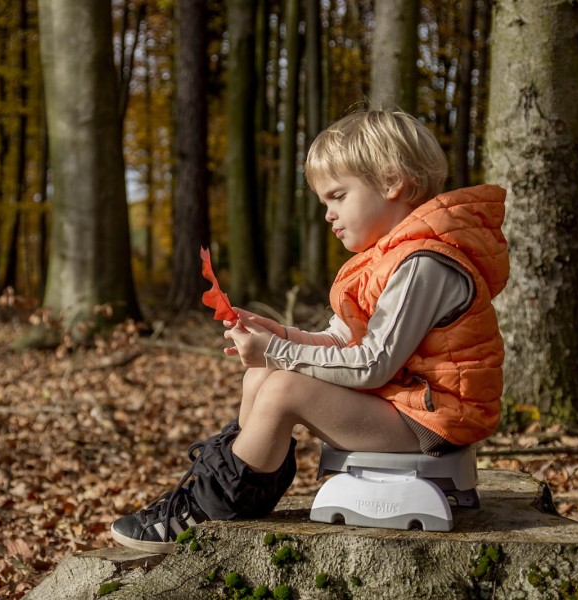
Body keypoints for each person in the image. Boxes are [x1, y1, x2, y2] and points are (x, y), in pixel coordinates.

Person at [111, 109, 509, 553]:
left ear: (393, 181)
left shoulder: (424, 264)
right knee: (260, 377)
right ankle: (233, 486)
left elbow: (373, 364)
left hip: (436, 419)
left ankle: (209, 509)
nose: (328, 214)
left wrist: (278, 351)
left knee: (283, 388)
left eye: (337, 196)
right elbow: (341, 341)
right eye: (324, 202)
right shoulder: (385, 259)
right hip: (408, 403)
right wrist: (277, 333)